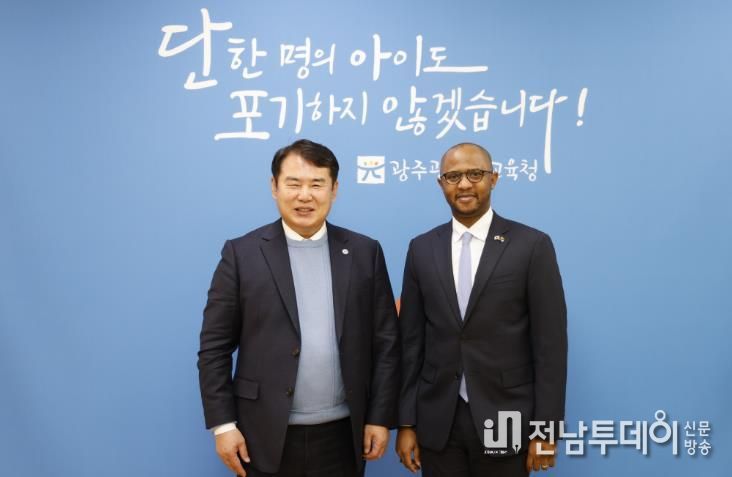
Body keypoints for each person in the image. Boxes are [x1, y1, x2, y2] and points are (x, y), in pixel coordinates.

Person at [198, 139, 400, 477]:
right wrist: (223, 425)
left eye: (317, 184)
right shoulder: (241, 254)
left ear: (334, 189)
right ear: (274, 187)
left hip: (343, 434)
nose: (305, 195)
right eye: (293, 184)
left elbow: (386, 343)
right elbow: (214, 348)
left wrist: (379, 417)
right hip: (262, 433)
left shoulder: (365, 252)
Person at [395, 143, 567, 476]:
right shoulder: (421, 248)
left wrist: (545, 430)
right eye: (453, 176)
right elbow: (411, 344)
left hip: (506, 416)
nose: (464, 184)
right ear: (441, 183)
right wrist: (406, 423)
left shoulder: (532, 245)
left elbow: (550, 348)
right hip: (438, 419)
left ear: (494, 179)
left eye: (475, 174)